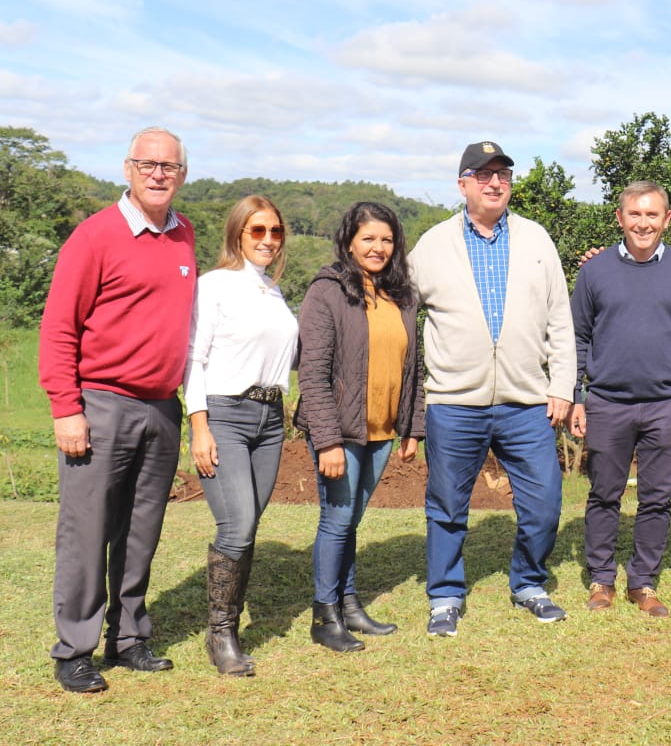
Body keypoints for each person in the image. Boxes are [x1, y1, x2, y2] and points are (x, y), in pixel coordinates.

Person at [39, 126, 196, 693]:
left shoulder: (185, 236)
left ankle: (128, 637)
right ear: (127, 169)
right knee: (88, 530)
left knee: (140, 532)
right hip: (101, 404)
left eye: (169, 166)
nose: (158, 173)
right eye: (147, 163)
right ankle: (74, 648)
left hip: (161, 407)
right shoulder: (95, 236)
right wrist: (66, 407)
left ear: (182, 174)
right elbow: (58, 328)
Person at [408, 141, 576, 638]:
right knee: (446, 504)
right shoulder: (433, 244)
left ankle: (528, 583)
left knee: (545, 502)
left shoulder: (536, 239)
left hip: (527, 401)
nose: (495, 183)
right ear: (462, 185)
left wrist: (562, 385)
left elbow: (560, 321)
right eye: (482, 175)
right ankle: (444, 595)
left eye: (502, 174)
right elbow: (400, 313)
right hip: (455, 402)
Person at [570, 180, 671, 618]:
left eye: (653, 215)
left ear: (667, 220)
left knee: (656, 498)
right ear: (620, 218)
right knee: (603, 494)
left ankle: (643, 581)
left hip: (668, 404)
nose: (643, 223)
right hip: (608, 403)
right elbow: (576, 338)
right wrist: (576, 396)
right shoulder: (594, 273)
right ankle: (601, 579)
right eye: (635, 214)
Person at [294, 202, 424, 652]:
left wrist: (413, 426)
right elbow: (311, 372)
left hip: (383, 429)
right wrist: (327, 441)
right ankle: (324, 615)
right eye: (368, 238)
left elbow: (413, 366)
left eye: (386, 239)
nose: (378, 247)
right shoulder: (327, 291)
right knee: (337, 519)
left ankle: (349, 606)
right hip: (340, 431)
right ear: (349, 240)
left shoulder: (400, 294)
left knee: (351, 521)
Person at [184, 195, 299, 675]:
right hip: (226, 415)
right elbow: (194, 358)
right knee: (236, 525)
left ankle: (226, 626)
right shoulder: (215, 286)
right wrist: (200, 428)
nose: (268, 240)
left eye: (275, 231)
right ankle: (221, 635)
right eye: (258, 231)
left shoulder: (273, 293)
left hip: (270, 420)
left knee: (248, 526)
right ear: (237, 234)